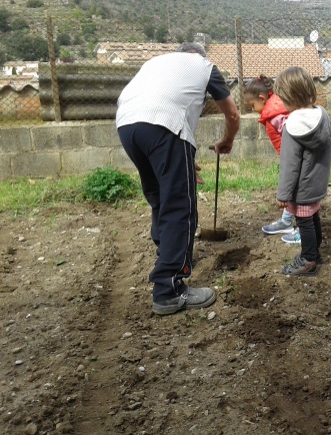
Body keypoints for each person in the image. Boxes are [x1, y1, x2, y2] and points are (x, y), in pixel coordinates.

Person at [116, 42, 240, 315]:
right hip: (165, 125)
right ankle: (168, 290)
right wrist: (227, 140)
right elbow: (232, 113)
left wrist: (182, 160)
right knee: (180, 206)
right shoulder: (205, 66)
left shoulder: (156, 63)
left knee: (160, 197)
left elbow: (160, 104)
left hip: (127, 125)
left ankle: (167, 253)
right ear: (200, 56)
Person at [274, 67, 331, 276]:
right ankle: (315, 253)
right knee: (313, 216)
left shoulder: (292, 126)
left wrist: (283, 194)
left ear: (289, 97)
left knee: (304, 222)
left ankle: (308, 261)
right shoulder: (322, 116)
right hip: (317, 183)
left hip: (302, 188)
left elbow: (289, 165)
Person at [244, 74, 300, 243]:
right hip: (294, 159)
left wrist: (291, 164)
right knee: (293, 192)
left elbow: (294, 140)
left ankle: (303, 230)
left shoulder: (275, 117)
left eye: (252, 105)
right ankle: (286, 221)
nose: (253, 110)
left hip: (297, 161)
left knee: (299, 194)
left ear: (262, 98)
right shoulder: (279, 107)